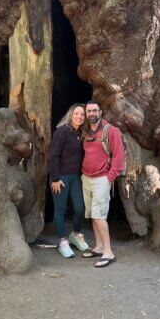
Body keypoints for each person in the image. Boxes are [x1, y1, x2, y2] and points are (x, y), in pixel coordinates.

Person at [81, 100, 126, 268]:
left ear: (100, 112)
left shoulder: (110, 131)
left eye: (94, 111)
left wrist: (110, 177)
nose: (91, 114)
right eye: (89, 111)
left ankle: (108, 252)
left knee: (99, 215)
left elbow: (118, 157)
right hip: (87, 177)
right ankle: (99, 247)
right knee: (93, 214)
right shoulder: (86, 131)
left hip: (102, 179)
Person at [49, 103, 90, 258]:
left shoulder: (79, 134)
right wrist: (55, 178)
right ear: (71, 114)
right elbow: (53, 156)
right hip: (60, 178)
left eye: (82, 114)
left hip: (75, 178)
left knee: (80, 208)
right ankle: (62, 242)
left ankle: (76, 234)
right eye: (77, 113)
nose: (79, 117)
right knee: (60, 210)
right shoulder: (62, 131)